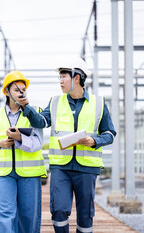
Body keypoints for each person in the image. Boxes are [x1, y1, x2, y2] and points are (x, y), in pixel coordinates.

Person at [15, 58, 116, 233]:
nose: (60, 81)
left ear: (76, 77)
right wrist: (27, 107)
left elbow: (109, 134)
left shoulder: (98, 103)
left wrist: (94, 141)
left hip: (87, 168)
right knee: (59, 209)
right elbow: (41, 122)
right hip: (61, 166)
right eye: (59, 77)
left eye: (63, 76)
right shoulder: (55, 102)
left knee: (85, 214)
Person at [0, 70, 47, 233]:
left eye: (23, 89)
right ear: (6, 92)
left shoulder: (36, 113)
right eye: (16, 89)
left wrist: (20, 138)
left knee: (28, 217)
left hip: (30, 173)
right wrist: (0, 143)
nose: (21, 93)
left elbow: (38, 143)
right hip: (5, 173)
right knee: (5, 216)